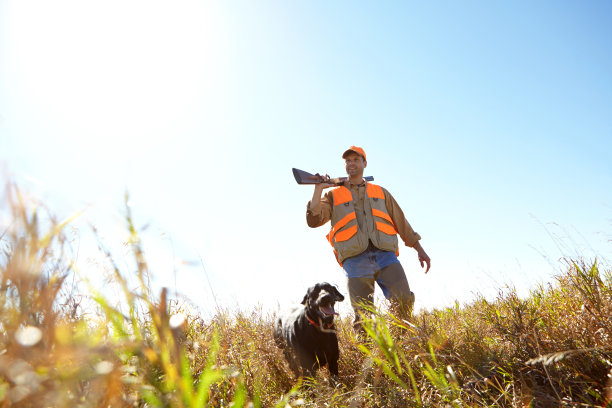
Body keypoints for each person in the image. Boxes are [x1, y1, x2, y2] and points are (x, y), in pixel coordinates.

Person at [306, 146, 430, 327]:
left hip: (385, 255)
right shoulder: (332, 194)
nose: (351, 163)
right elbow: (314, 220)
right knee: (363, 315)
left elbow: (401, 221)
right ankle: (367, 354)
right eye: (348, 161)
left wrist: (420, 249)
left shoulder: (381, 192)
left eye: (356, 159)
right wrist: (318, 189)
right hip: (354, 259)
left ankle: (401, 345)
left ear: (365, 163)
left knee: (403, 300)